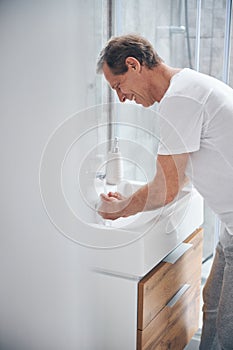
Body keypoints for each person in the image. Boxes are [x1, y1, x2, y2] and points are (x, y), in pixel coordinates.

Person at [96, 34, 233, 349]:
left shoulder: (180, 99)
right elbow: (180, 176)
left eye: (118, 86)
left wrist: (122, 208)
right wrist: (131, 200)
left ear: (134, 65)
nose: (121, 98)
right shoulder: (189, 85)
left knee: (228, 329)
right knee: (212, 305)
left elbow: (165, 190)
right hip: (229, 224)